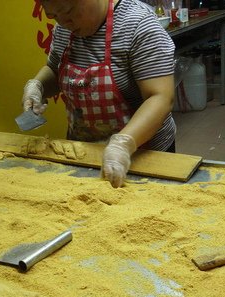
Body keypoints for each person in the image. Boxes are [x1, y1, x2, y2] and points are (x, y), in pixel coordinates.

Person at [22, 0, 176, 188]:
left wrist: (123, 144)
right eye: (54, 16)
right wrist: (37, 87)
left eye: (69, 11)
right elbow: (55, 69)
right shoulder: (64, 28)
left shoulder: (138, 24)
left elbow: (160, 97)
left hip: (142, 153)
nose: (64, 22)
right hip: (85, 152)